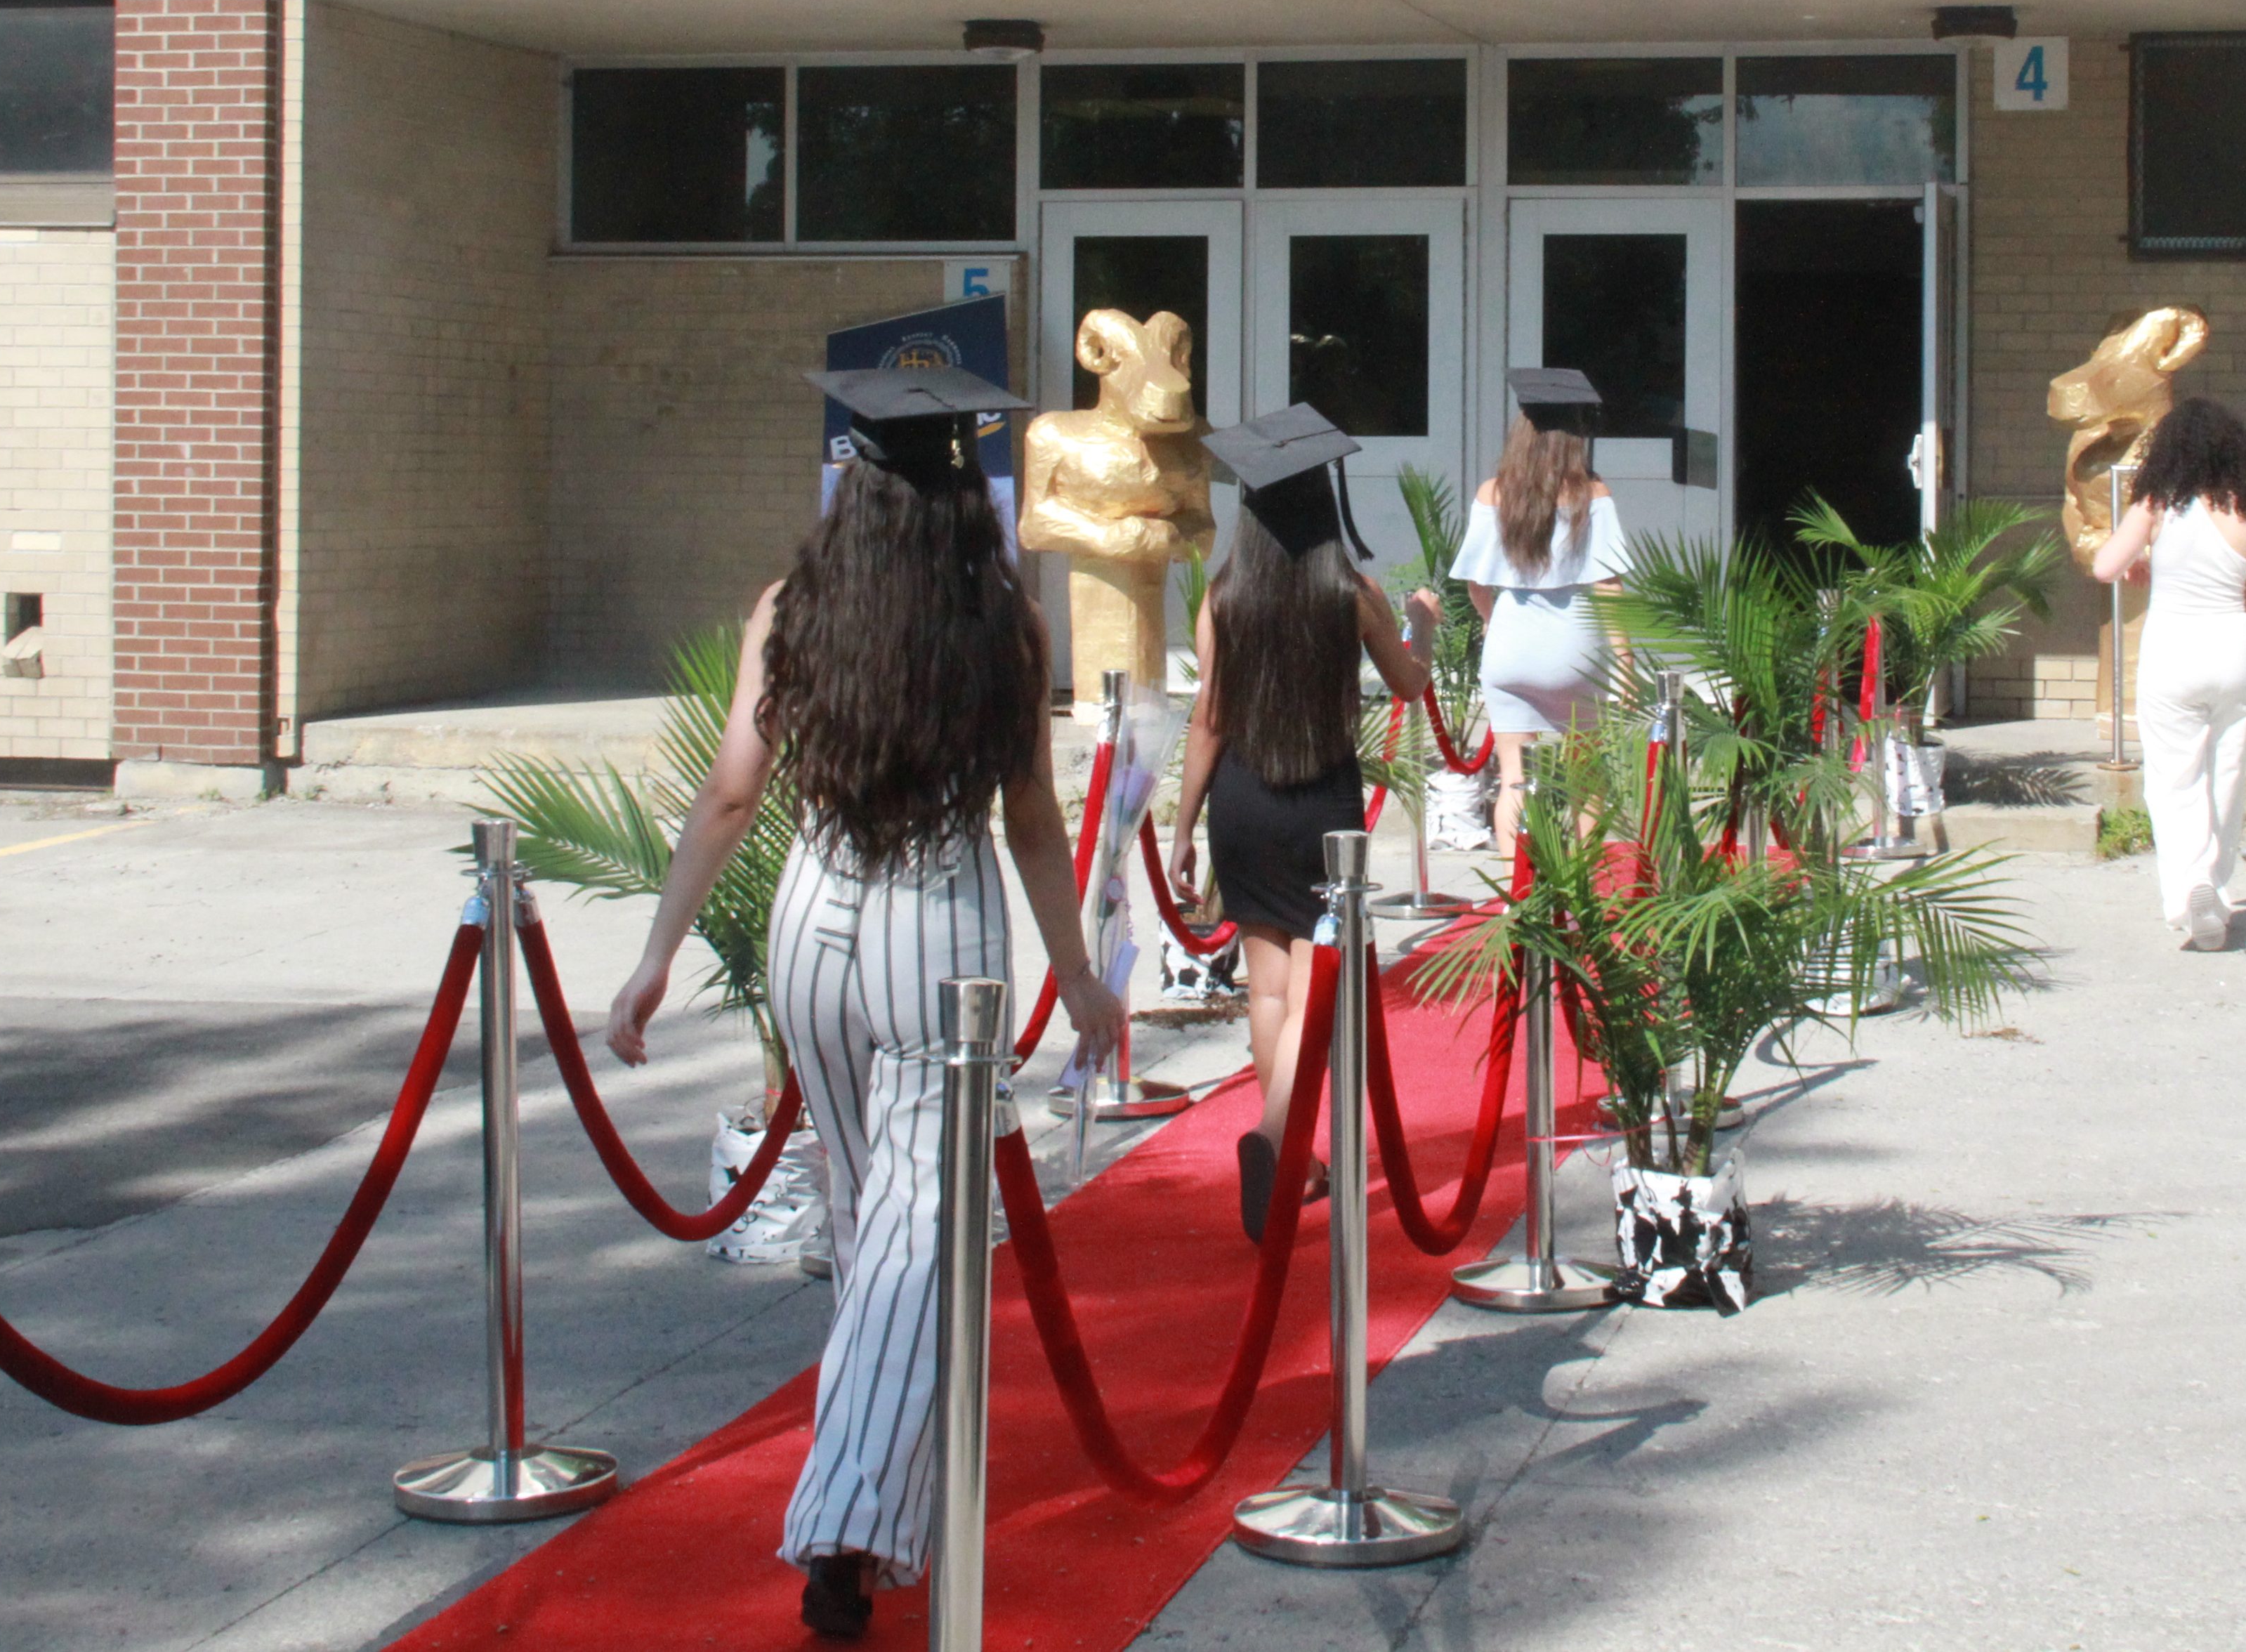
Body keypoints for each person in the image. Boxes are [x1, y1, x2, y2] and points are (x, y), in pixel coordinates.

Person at [599, 364, 1124, 1638]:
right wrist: (1081, 971)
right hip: (937, 928)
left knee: (863, 1214)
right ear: (963, 492)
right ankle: (844, 1522)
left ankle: (871, 1490)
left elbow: (731, 789)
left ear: (853, 485)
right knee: (914, 1233)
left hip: (811, 922)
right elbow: (1034, 823)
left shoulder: (791, 607)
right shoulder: (1004, 626)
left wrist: (657, 948)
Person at [1164, 404, 1439, 1242]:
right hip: (1323, 802)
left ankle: (1297, 1153)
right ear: (1322, 500)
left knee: (1271, 989)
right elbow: (1406, 685)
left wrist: (1180, 828)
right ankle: (1280, 1140)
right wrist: (1420, 621)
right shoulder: (1350, 591)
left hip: (1241, 802)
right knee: (1314, 991)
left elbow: (1207, 718)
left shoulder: (1225, 596)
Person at [2089, 395, 2246, 951]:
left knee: (2175, 778)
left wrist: (2144, 557)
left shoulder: (2157, 503)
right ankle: (2216, 890)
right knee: (2227, 772)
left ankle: (2188, 891)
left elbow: (2104, 564)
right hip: (2233, 648)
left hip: (2172, 650)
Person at [1449, 367, 1635, 849]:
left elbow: (1477, 583)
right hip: (1574, 647)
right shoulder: (1592, 494)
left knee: (1514, 777)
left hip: (1510, 644)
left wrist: (1492, 623)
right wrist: (1627, 664)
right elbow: (1608, 583)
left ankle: (1517, 898)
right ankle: (1586, 893)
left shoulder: (1493, 493)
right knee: (1589, 782)